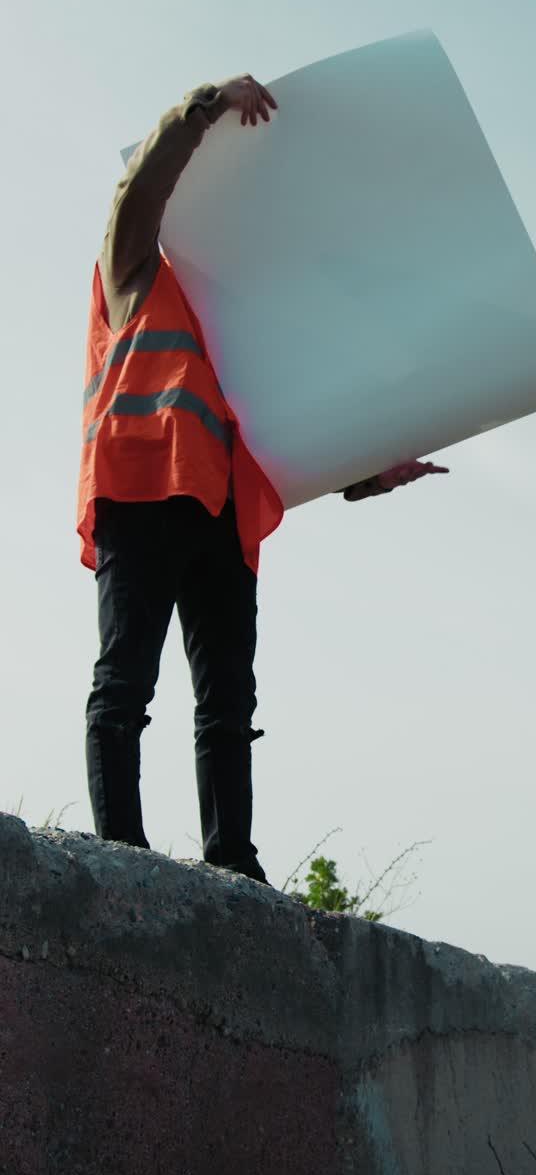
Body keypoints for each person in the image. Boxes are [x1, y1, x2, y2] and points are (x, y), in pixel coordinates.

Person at [78, 74, 448, 885]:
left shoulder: (245, 315)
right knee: (126, 678)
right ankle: (117, 853)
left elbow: (290, 437)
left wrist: (374, 478)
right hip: (143, 488)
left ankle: (232, 860)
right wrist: (203, 107)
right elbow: (142, 184)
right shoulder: (133, 265)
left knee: (228, 704)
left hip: (222, 512)